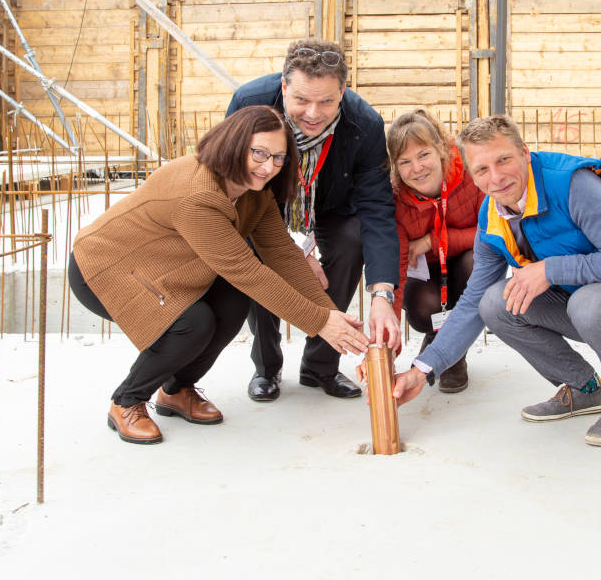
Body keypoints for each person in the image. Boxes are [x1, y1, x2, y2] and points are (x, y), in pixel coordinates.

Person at [372, 115, 601, 447]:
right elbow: (471, 304)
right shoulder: (493, 216)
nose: (495, 178)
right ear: (469, 173)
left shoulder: (571, 183)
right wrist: (422, 370)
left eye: (504, 160)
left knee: (588, 304)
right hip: (589, 297)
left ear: (524, 152)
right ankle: (585, 389)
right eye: (481, 170)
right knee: (495, 303)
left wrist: (551, 270)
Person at [69, 106, 369, 444]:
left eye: (279, 158)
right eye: (259, 153)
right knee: (191, 324)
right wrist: (319, 323)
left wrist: (329, 314)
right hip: (107, 266)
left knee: (233, 300)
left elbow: (281, 253)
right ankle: (126, 400)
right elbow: (246, 270)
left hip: (168, 268)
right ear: (234, 144)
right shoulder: (198, 194)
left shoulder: (254, 192)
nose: (268, 166)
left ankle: (177, 390)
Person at [226, 39, 400, 402]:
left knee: (352, 240)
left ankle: (320, 366)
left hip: (331, 204)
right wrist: (295, 250)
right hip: (264, 205)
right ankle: (267, 367)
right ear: (283, 86)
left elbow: (376, 208)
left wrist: (382, 293)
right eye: (302, 100)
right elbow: (238, 186)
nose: (313, 113)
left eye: (327, 101)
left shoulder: (365, 123)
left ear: (343, 91)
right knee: (259, 257)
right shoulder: (248, 103)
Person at [386, 109, 485, 392]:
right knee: (422, 307)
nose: (416, 168)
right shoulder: (396, 199)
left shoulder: (470, 172)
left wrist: (432, 241)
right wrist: (388, 339)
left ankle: (453, 356)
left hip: (467, 259)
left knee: (475, 262)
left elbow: (489, 232)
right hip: (428, 271)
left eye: (423, 155)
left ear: (440, 149)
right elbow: (398, 267)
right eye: (404, 161)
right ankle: (437, 337)